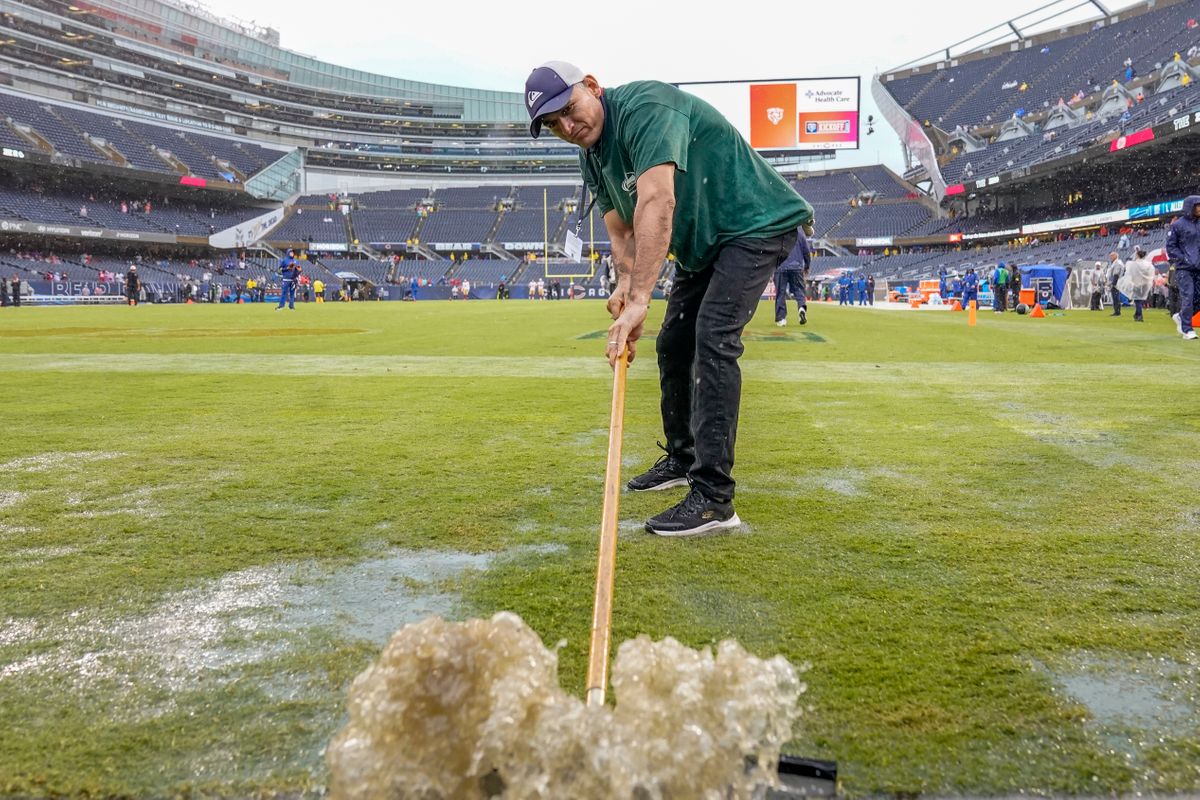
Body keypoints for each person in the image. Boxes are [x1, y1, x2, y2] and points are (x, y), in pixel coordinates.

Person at [525, 60, 813, 536]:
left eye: (570, 110)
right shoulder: (591, 153)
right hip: (705, 244)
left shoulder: (645, 109)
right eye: (554, 125)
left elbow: (657, 200)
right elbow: (619, 224)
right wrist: (623, 284)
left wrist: (642, 297)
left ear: (593, 86)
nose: (568, 127)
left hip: (755, 224)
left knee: (713, 338)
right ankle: (683, 458)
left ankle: (715, 499)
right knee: (673, 344)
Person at [1166, 195, 1200, 339]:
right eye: (1197, 205)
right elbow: (1171, 247)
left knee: (1196, 299)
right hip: (1184, 268)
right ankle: (1187, 330)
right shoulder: (1177, 225)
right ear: (1190, 207)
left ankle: (1180, 317)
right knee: (1188, 296)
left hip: (1198, 267)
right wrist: (1183, 259)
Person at [773, 229, 810, 326]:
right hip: (796, 267)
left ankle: (781, 319)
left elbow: (772, 250)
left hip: (781, 267)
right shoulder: (801, 233)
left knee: (781, 293)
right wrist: (807, 266)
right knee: (799, 291)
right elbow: (806, 251)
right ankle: (801, 307)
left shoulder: (778, 232)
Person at [1120, 247, 1155, 322]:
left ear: (1138, 255)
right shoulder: (1148, 264)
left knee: (1138, 300)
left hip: (1137, 284)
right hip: (1145, 284)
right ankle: (1136, 314)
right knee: (1139, 300)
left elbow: (1130, 273)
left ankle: (1139, 315)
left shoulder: (1135, 264)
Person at [1107, 252, 1124, 316]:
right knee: (1115, 297)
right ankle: (1116, 311)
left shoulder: (1117, 263)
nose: (1110, 257)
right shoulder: (1117, 263)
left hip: (1116, 283)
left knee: (1116, 297)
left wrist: (1113, 284)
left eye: (1111, 256)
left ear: (1115, 256)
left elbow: (1116, 274)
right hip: (1116, 282)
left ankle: (1117, 311)